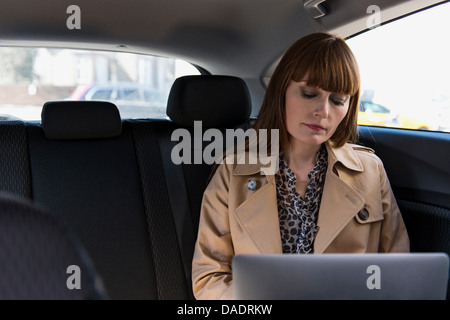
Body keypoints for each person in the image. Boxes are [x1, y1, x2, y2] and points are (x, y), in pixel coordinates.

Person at [191, 32, 410, 300]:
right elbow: (209, 277)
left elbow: (397, 271)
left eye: (338, 100)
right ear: (282, 90)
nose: (324, 111)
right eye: (309, 94)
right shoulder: (233, 171)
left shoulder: (370, 171)